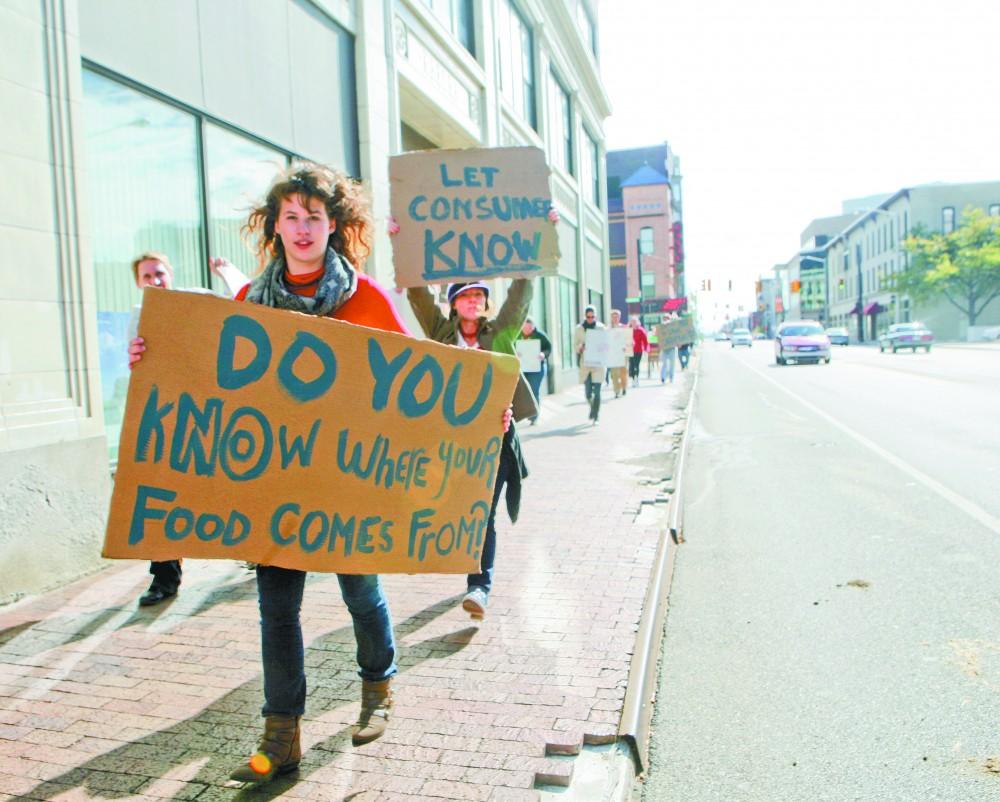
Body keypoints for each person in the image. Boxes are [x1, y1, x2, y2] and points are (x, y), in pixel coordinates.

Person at [130, 163, 413, 782]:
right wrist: (155, 359)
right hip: (275, 490)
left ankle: (377, 689)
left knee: (360, 591)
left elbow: (420, 388)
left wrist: (483, 414)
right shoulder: (247, 303)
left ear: (333, 225)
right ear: (275, 226)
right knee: (277, 611)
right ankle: (280, 735)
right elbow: (210, 385)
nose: (303, 227)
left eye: (315, 217)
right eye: (292, 217)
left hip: (347, 486)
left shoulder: (368, 299)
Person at [406, 279, 536, 620]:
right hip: (454, 444)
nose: (473, 300)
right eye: (465, 295)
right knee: (456, 510)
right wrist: (406, 248)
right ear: (453, 303)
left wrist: (533, 254)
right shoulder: (442, 333)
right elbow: (418, 295)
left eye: (479, 294)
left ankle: (479, 586)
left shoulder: (502, 333)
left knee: (483, 515)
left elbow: (520, 297)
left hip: (496, 443)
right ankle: (462, 562)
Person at [128, 252, 184, 607]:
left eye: (159, 274)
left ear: (170, 274)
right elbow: (135, 370)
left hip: (204, 417)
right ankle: (164, 577)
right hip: (163, 420)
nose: (154, 281)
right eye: (147, 276)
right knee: (162, 495)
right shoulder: (137, 319)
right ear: (139, 282)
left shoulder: (193, 306)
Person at [573, 305, 605, 424]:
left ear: (595, 316)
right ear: (585, 316)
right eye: (588, 317)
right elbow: (575, 346)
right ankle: (593, 408)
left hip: (598, 364)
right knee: (587, 393)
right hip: (585, 364)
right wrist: (581, 347)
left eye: (593, 317)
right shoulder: (579, 329)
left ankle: (596, 416)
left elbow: (607, 344)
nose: (590, 319)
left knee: (597, 392)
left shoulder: (601, 328)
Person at [519, 317, 552, 424]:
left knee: (534, 389)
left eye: (529, 328)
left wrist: (543, 354)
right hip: (523, 367)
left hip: (537, 368)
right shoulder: (518, 335)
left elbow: (548, 347)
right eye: (525, 328)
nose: (527, 331)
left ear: (533, 327)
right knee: (524, 391)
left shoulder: (540, 335)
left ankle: (534, 416)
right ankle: (528, 412)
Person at [607, 309, 629, 398]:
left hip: (622, 354)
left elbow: (629, 340)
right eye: (613, 317)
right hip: (613, 354)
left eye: (617, 317)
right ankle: (616, 390)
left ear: (619, 317)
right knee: (614, 373)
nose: (615, 318)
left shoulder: (624, 328)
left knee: (623, 373)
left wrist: (627, 346)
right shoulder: (608, 329)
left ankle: (624, 387)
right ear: (611, 318)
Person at [628, 315, 649, 388]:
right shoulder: (628, 329)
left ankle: (636, 378)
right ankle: (633, 378)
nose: (633, 323)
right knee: (632, 365)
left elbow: (645, 340)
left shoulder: (640, 330)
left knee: (636, 365)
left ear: (637, 322)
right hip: (630, 351)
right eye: (632, 321)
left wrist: (646, 348)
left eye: (634, 321)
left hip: (638, 350)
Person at [660, 313, 677, 384]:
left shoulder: (673, 328)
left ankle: (671, 378)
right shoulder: (661, 328)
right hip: (664, 349)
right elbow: (657, 337)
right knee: (664, 364)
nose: (665, 319)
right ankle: (663, 377)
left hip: (672, 348)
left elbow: (677, 336)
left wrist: (678, 343)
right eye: (664, 318)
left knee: (672, 364)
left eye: (667, 318)